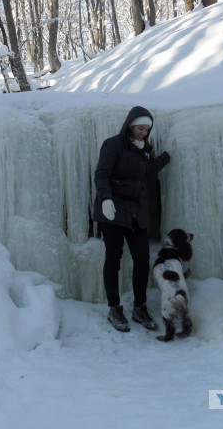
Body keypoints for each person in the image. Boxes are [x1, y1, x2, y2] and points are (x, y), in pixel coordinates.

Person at [93, 106, 171, 332]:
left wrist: (165, 157)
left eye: (147, 129)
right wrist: (105, 199)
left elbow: (146, 174)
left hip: (137, 212)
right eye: (140, 128)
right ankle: (114, 308)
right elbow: (102, 174)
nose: (143, 132)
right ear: (130, 125)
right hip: (113, 211)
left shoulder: (145, 149)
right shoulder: (113, 144)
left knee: (142, 260)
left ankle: (140, 306)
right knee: (113, 259)